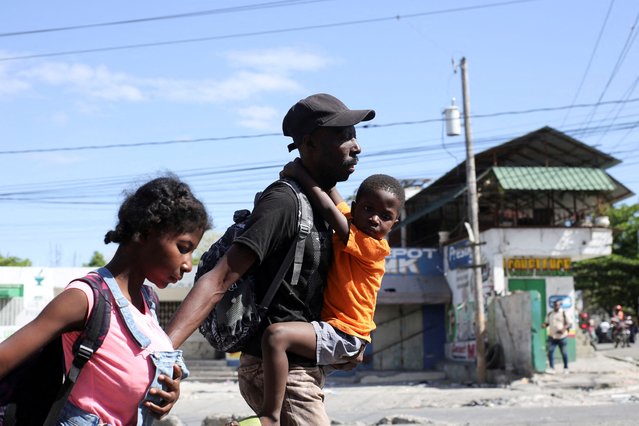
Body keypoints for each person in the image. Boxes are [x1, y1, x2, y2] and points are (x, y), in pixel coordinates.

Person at [166, 93, 375, 425]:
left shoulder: (325, 207)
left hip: (298, 367)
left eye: (355, 134)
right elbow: (221, 277)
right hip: (282, 373)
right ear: (309, 143)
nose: (356, 146)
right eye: (342, 135)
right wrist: (162, 352)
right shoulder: (284, 202)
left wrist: (343, 346)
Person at [0, 175, 211, 425]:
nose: (188, 265)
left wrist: (165, 391)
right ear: (145, 233)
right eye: (183, 247)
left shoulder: (148, 303)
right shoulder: (85, 298)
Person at [256, 163, 404, 425]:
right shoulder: (353, 222)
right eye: (369, 209)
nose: (374, 219)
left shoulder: (372, 246)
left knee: (276, 336)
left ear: (395, 223)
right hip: (340, 329)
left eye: (385, 216)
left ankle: (269, 415)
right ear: (356, 206)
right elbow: (333, 194)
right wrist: (313, 166)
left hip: (346, 333)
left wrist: (298, 172)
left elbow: (327, 207)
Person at [542, 299, 572, 374]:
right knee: (550, 352)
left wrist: (563, 329)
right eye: (555, 304)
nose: (556, 306)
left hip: (562, 337)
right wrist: (544, 325)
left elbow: (569, 323)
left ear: (560, 305)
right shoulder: (550, 314)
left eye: (558, 304)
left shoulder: (564, 313)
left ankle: (566, 368)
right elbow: (547, 323)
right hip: (552, 337)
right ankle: (552, 368)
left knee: (564, 353)